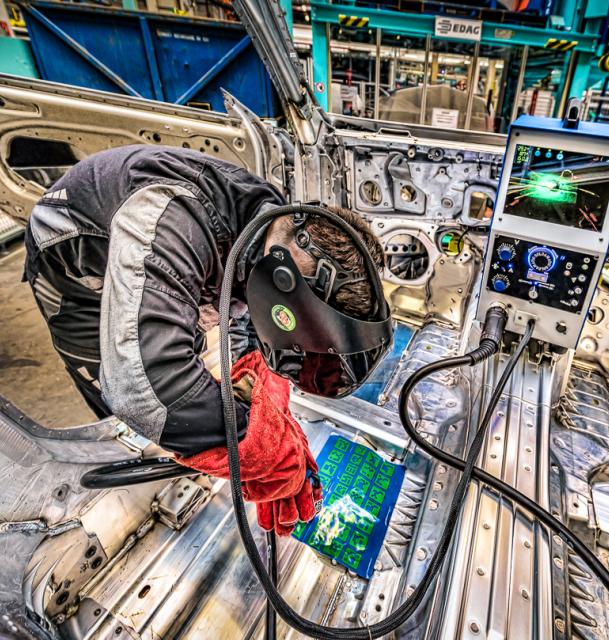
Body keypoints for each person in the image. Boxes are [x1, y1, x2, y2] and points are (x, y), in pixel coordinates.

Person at [24, 144, 384, 455]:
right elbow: (144, 392)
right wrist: (259, 444)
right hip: (73, 257)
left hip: (156, 242)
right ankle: (132, 452)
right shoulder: (174, 222)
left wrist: (246, 370)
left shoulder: (268, 226)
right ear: (285, 278)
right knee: (121, 385)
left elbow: (243, 312)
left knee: (177, 348)